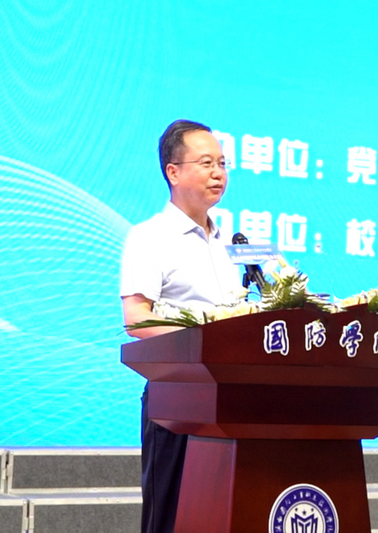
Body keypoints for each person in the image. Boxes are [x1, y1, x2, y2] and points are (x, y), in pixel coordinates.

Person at [119, 119, 243, 533]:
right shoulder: (149, 237)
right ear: (173, 172)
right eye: (206, 163)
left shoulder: (231, 243)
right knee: (170, 517)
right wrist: (205, 342)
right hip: (178, 398)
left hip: (231, 398)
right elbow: (137, 319)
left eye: (222, 163)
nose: (218, 173)